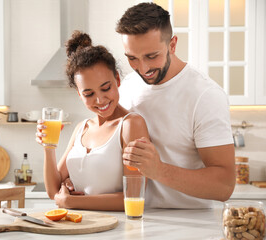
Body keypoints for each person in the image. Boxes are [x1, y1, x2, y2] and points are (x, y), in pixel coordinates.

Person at [116, 2, 235, 208]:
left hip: (191, 226)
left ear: (172, 45)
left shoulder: (205, 96)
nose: (142, 68)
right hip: (137, 219)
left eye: (152, 56)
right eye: (132, 58)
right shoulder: (127, 86)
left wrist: (159, 170)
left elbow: (224, 186)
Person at [35, 31, 149, 210]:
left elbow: (134, 196)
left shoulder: (130, 125)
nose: (100, 100)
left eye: (106, 88)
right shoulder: (82, 128)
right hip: (78, 227)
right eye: (89, 94)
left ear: (117, 80)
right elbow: (53, 191)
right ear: (79, 94)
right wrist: (49, 147)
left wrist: (72, 202)